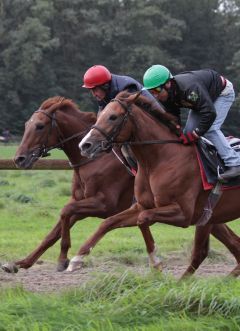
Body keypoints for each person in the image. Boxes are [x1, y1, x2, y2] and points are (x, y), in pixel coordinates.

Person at [143, 65, 240, 180]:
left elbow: (209, 113)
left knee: (210, 129)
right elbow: (174, 115)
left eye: (156, 90)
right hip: (203, 99)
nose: (155, 95)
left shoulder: (189, 89)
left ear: (168, 84)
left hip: (222, 93)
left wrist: (196, 134)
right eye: (151, 91)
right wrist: (176, 130)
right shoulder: (166, 95)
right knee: (187, 132)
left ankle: (234, 163)